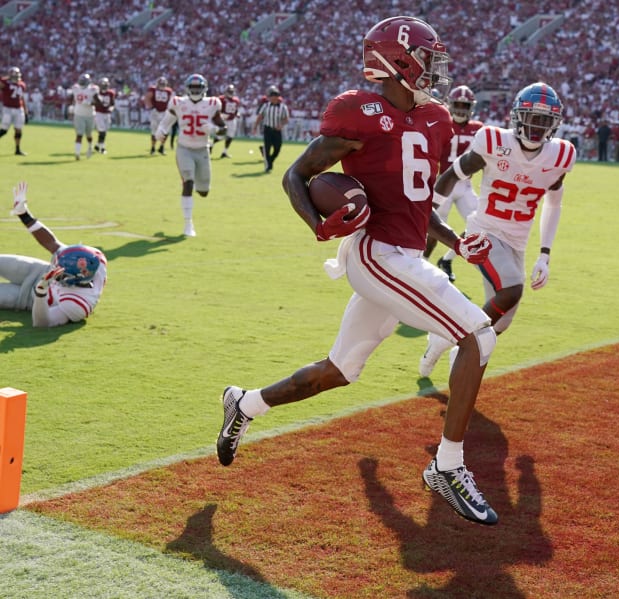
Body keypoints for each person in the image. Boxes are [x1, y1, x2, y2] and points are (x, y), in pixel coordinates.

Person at [216, 16, 499, 526]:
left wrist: (457, 241)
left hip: (405, 255)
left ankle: (245, 403)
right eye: (428, 57)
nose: (436, 67)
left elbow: (418, 207)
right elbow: (296, 175)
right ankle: (447, 465)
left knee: (339, 371)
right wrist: (317, 226)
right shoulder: (358, 113)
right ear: (398, 60)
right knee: (478, 335)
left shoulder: (435, 119)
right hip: (376, 255)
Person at [417, 82, 575, 381]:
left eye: (544, 119)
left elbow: (554, 205)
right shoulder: (492, 141)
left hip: (516, 241)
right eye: (531, 117)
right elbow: (451, 175)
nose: (536, 125)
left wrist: (544, 254)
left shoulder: (560, 155)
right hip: (484, 230)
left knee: (500, 324)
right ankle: (461, 343)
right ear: (517, 116)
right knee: (513, 288)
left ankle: (442, 340)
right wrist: (429, 212)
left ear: (555, 123)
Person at [1, 182, 107, 327]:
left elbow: (41, 323)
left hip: (29, 298)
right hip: (38, 272)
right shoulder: (93, 258)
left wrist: (40, 293)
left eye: (61, 272)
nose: (57, 269)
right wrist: (24, 215)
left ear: (73, 279)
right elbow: (52, 243)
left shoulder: (77, 305)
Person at [424, 84, 483, 283]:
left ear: (471, 107)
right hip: (443, 184)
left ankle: (447, 260)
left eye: (464, 105)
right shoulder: (442, 123)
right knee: (434, 227)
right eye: (457, 104)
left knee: (481, 224)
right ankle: (422, 262)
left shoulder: (479, 128)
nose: (460, 108)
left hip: (465, 185)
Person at [155, 73, 227, 237]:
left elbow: (224, 130)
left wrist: (213, 129)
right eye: (193, 88)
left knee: (203, 192)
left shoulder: (212, 103)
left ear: (204, 89)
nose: (195, 90)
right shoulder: (178, 102)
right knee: (187, 183)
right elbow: (167, 121)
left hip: (202, 149)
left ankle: (194, 183)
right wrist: (161, 131)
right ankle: (188, 224)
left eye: (198, 88)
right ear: (187, 89)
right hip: (184, 148)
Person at [252, 85, 289, 172]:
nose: (272, 98)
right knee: (268, 148)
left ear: (278, 97)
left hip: (277, 130)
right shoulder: (265, 106)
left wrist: (281, 125)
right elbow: (260, 116)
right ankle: (268, 166)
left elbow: (286, 119)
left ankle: (270, 160)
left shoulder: (283, 107)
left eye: (274, 97)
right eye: (271, 97)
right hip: (267, 129)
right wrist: (255, 127)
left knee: (277, 148)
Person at [0, 66, 29, 156]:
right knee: (4, 130)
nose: (16, 76)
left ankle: (17, 149)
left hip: (18, 109)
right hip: (8, 108)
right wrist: (7, 78)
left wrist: (26, 112)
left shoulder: (22, 84)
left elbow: (22, 98)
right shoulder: (5, 83)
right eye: (14, 74)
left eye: (17, 74)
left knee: (18, 130)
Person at [71, 73, 98, 160]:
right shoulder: (75, 88)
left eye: (83, 81)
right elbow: (73, 98)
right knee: (79, 134)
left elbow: (98, 102)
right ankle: (77, 153)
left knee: (89, 134)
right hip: (79, 114)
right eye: (81, 81)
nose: (82, 82)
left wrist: (89, 103)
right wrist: (72, 106)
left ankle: (90, 146)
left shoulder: (93, 89)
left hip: (90, 114)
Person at [144, 76, 173, 155]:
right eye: (161, 83)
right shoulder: (152, 89)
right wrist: (151, 107)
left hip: (165, 112)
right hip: (155, 111)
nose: (162, 85)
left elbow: (171, 101)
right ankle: (153, 147)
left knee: (165, 130)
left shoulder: (169, 91)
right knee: (154, 131)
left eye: (163, 84)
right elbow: (147, 98)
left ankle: (162, 147)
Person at [213, 84, 241, 158]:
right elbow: (216, 108)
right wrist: (220, 115)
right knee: (220, 136)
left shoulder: (236, 100)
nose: (230, 93)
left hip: (232, 120)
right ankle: (211, 145)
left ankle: (224, 152)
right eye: (229, 91)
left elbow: (235, 110)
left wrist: (237, 113)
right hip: (223, 119)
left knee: (230, 136)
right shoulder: (221, 99)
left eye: (232, 91)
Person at [93, 77, 116, 154]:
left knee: (104, 131)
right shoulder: (96, 93)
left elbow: (112, 104)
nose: (104, 86)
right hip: (99, 113)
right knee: (102, 131)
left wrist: (111, 109)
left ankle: (97, 145)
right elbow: (94, 102)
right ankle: (102, 148)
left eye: (105, 84)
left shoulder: (111, 93)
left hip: (107, 114)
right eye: (103, 84)